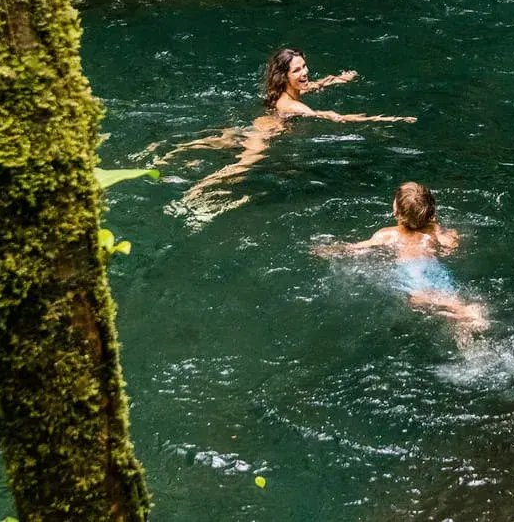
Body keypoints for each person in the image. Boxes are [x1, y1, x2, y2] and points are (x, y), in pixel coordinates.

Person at [161, 48, 414, 226]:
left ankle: (166, 156)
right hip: (263, 134)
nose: (305, 72)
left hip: (253, 125)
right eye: (298, 70)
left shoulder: (285, 92)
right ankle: (194, 194)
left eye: (305, 66)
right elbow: (336, 117)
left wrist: (339, 79)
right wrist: (386, 120)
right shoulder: (294, 107)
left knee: (216, 142)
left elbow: (314, 85)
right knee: (242, 166)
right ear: (285, 76)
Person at [313, 182, 490, 341]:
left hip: (410, 269)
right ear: (431, 211)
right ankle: (465, 318)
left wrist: (331, 250)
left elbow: (358, 248)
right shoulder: (435, 232)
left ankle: (463, 315)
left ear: (396, 211)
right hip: (433, 266)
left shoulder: (387, 234)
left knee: (420, 298)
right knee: (446, 295)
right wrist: (444, 230)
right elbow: (451, 247)